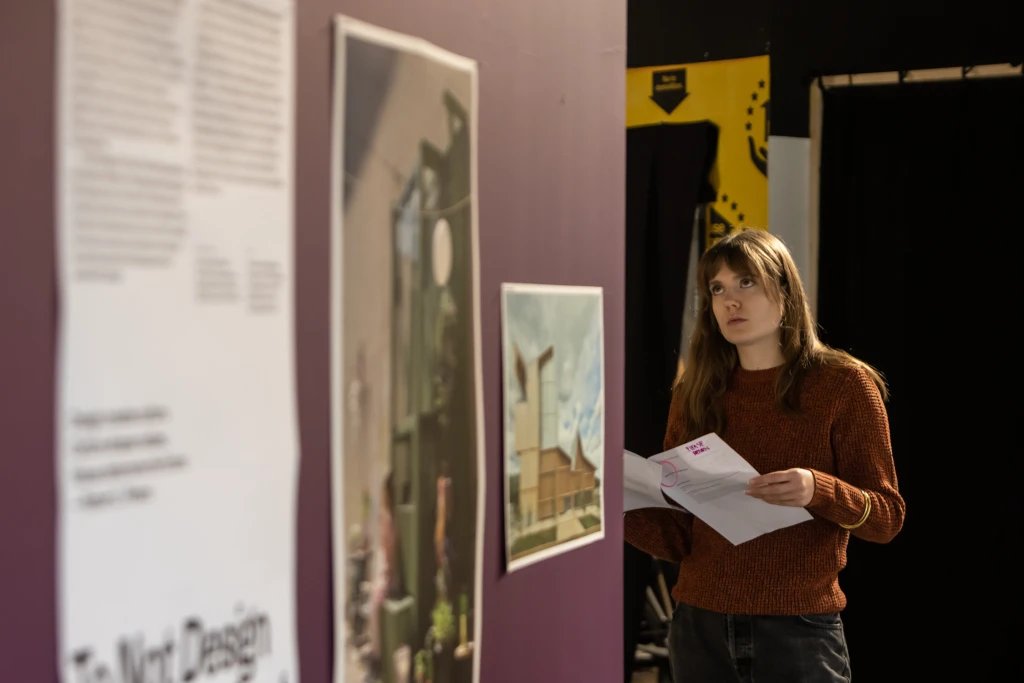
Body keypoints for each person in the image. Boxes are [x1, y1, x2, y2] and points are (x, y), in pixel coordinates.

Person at [625, 229, 904, 683]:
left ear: (785, 291)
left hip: (798, 632)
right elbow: (678, 539)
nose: (730, 301)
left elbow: (887, 517)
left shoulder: (843, 385)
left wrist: (819, 489)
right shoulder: (693, 394)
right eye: (717, 289)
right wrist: (620, 505)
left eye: (746, 283)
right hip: (698, 627)